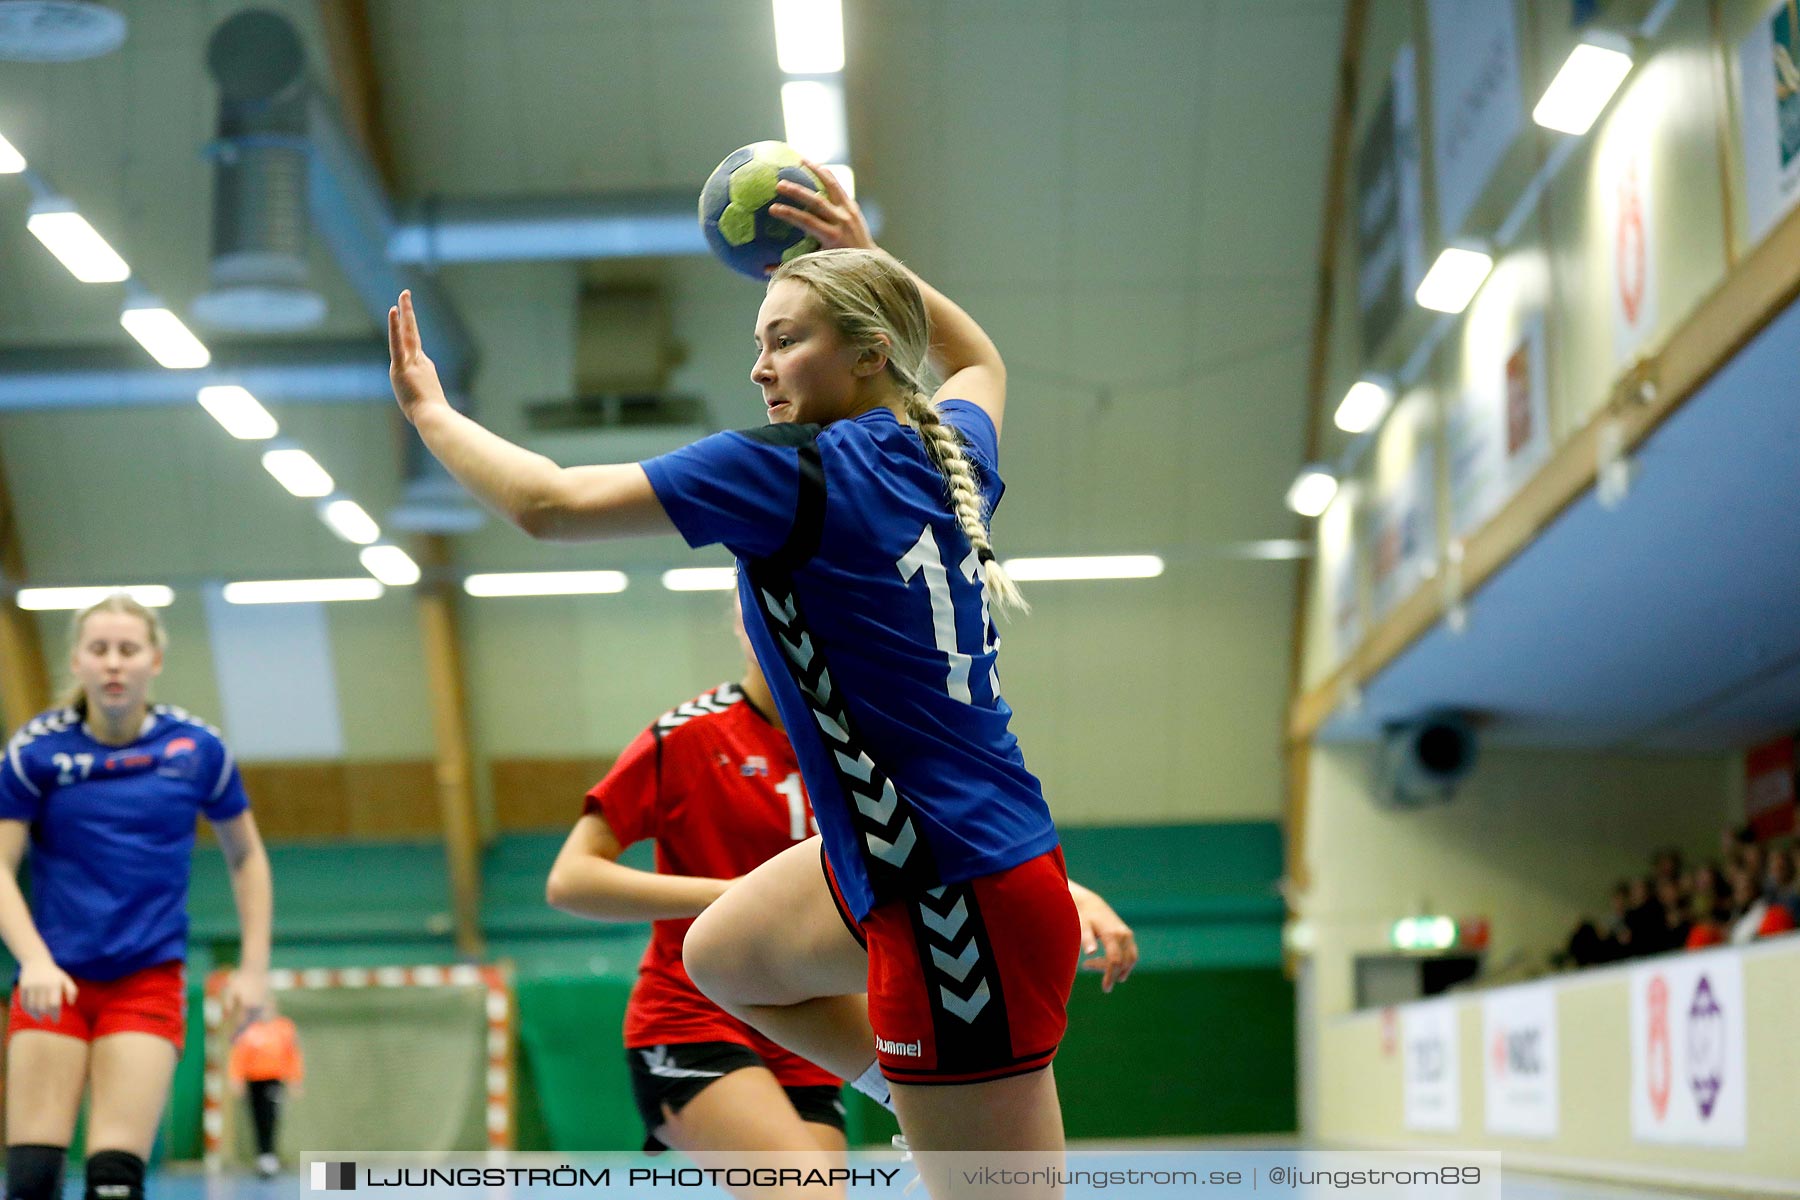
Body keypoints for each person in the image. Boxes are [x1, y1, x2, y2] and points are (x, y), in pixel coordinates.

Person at [390, 161, 1086, 1192]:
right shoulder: (948, 453)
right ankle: (918, 1084)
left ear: (867, 351)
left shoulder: (797, 470)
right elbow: (978, 358)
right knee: (723, 956)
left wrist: (430, 416)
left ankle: (939, 1086)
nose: (761, 367)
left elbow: (550, 504)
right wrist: (868, 256)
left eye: (785, 340)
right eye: (757, 342)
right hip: (954, 868)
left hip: (953, 907)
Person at [544, 599, 1138, 1183]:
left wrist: (1071, 890)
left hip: (817, 1017)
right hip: (696, 1018)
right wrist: (731, 898)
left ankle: (911, 1098)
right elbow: (571, 880)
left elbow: (937, 846)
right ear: (746, 618)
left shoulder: (856, 742)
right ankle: (906, 1097)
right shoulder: (690, 736)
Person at [1, 594, 272, 1200]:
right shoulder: (34, 753)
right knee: (31, 1182)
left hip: (145, 980)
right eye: (99, 650)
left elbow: (247, 856)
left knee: (114, 1183)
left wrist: (254, 970)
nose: (114, 664)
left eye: (128, 650)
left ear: (155, 660)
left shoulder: (197, 750)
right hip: (56, 983)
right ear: (77, 660)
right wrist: (36, 960)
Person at [226, 1007, 304, 1178]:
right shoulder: (247, 1029)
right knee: (257, 1117)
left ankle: (270, 1156)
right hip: (253, 1080)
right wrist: (236, 1078)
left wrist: (295, 1079)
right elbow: (238, 1055)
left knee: (271, 1116)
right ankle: (262, 1156)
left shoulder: (284, 1027)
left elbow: (292, 1054)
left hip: (273, 1079)